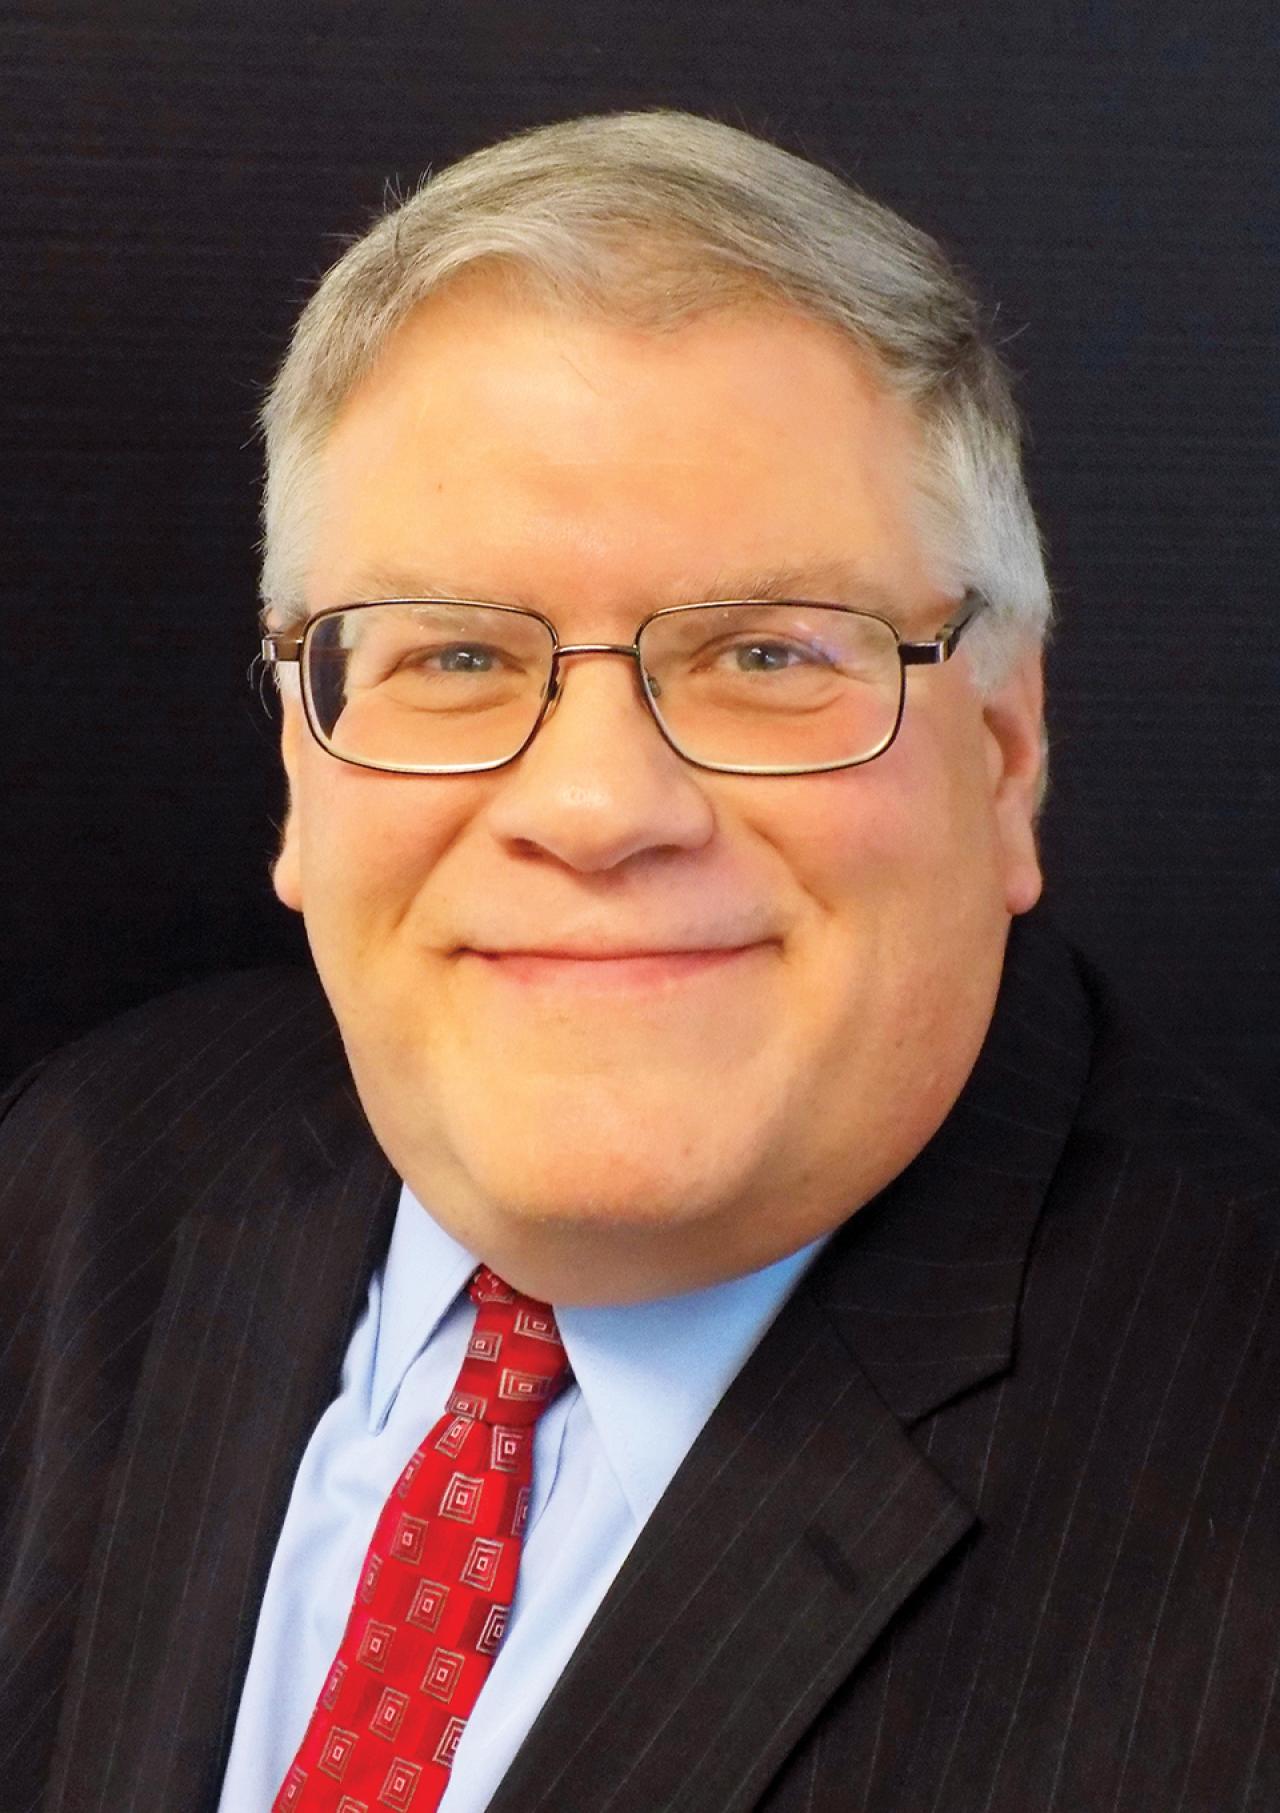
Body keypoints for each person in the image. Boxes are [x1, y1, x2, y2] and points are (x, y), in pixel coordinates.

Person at [2, 110, 1276, 1813]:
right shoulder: (80, 1182)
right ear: (303, 765)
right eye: (451, 651)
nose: (598, 805)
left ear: (1004, 751)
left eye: (764, 651)